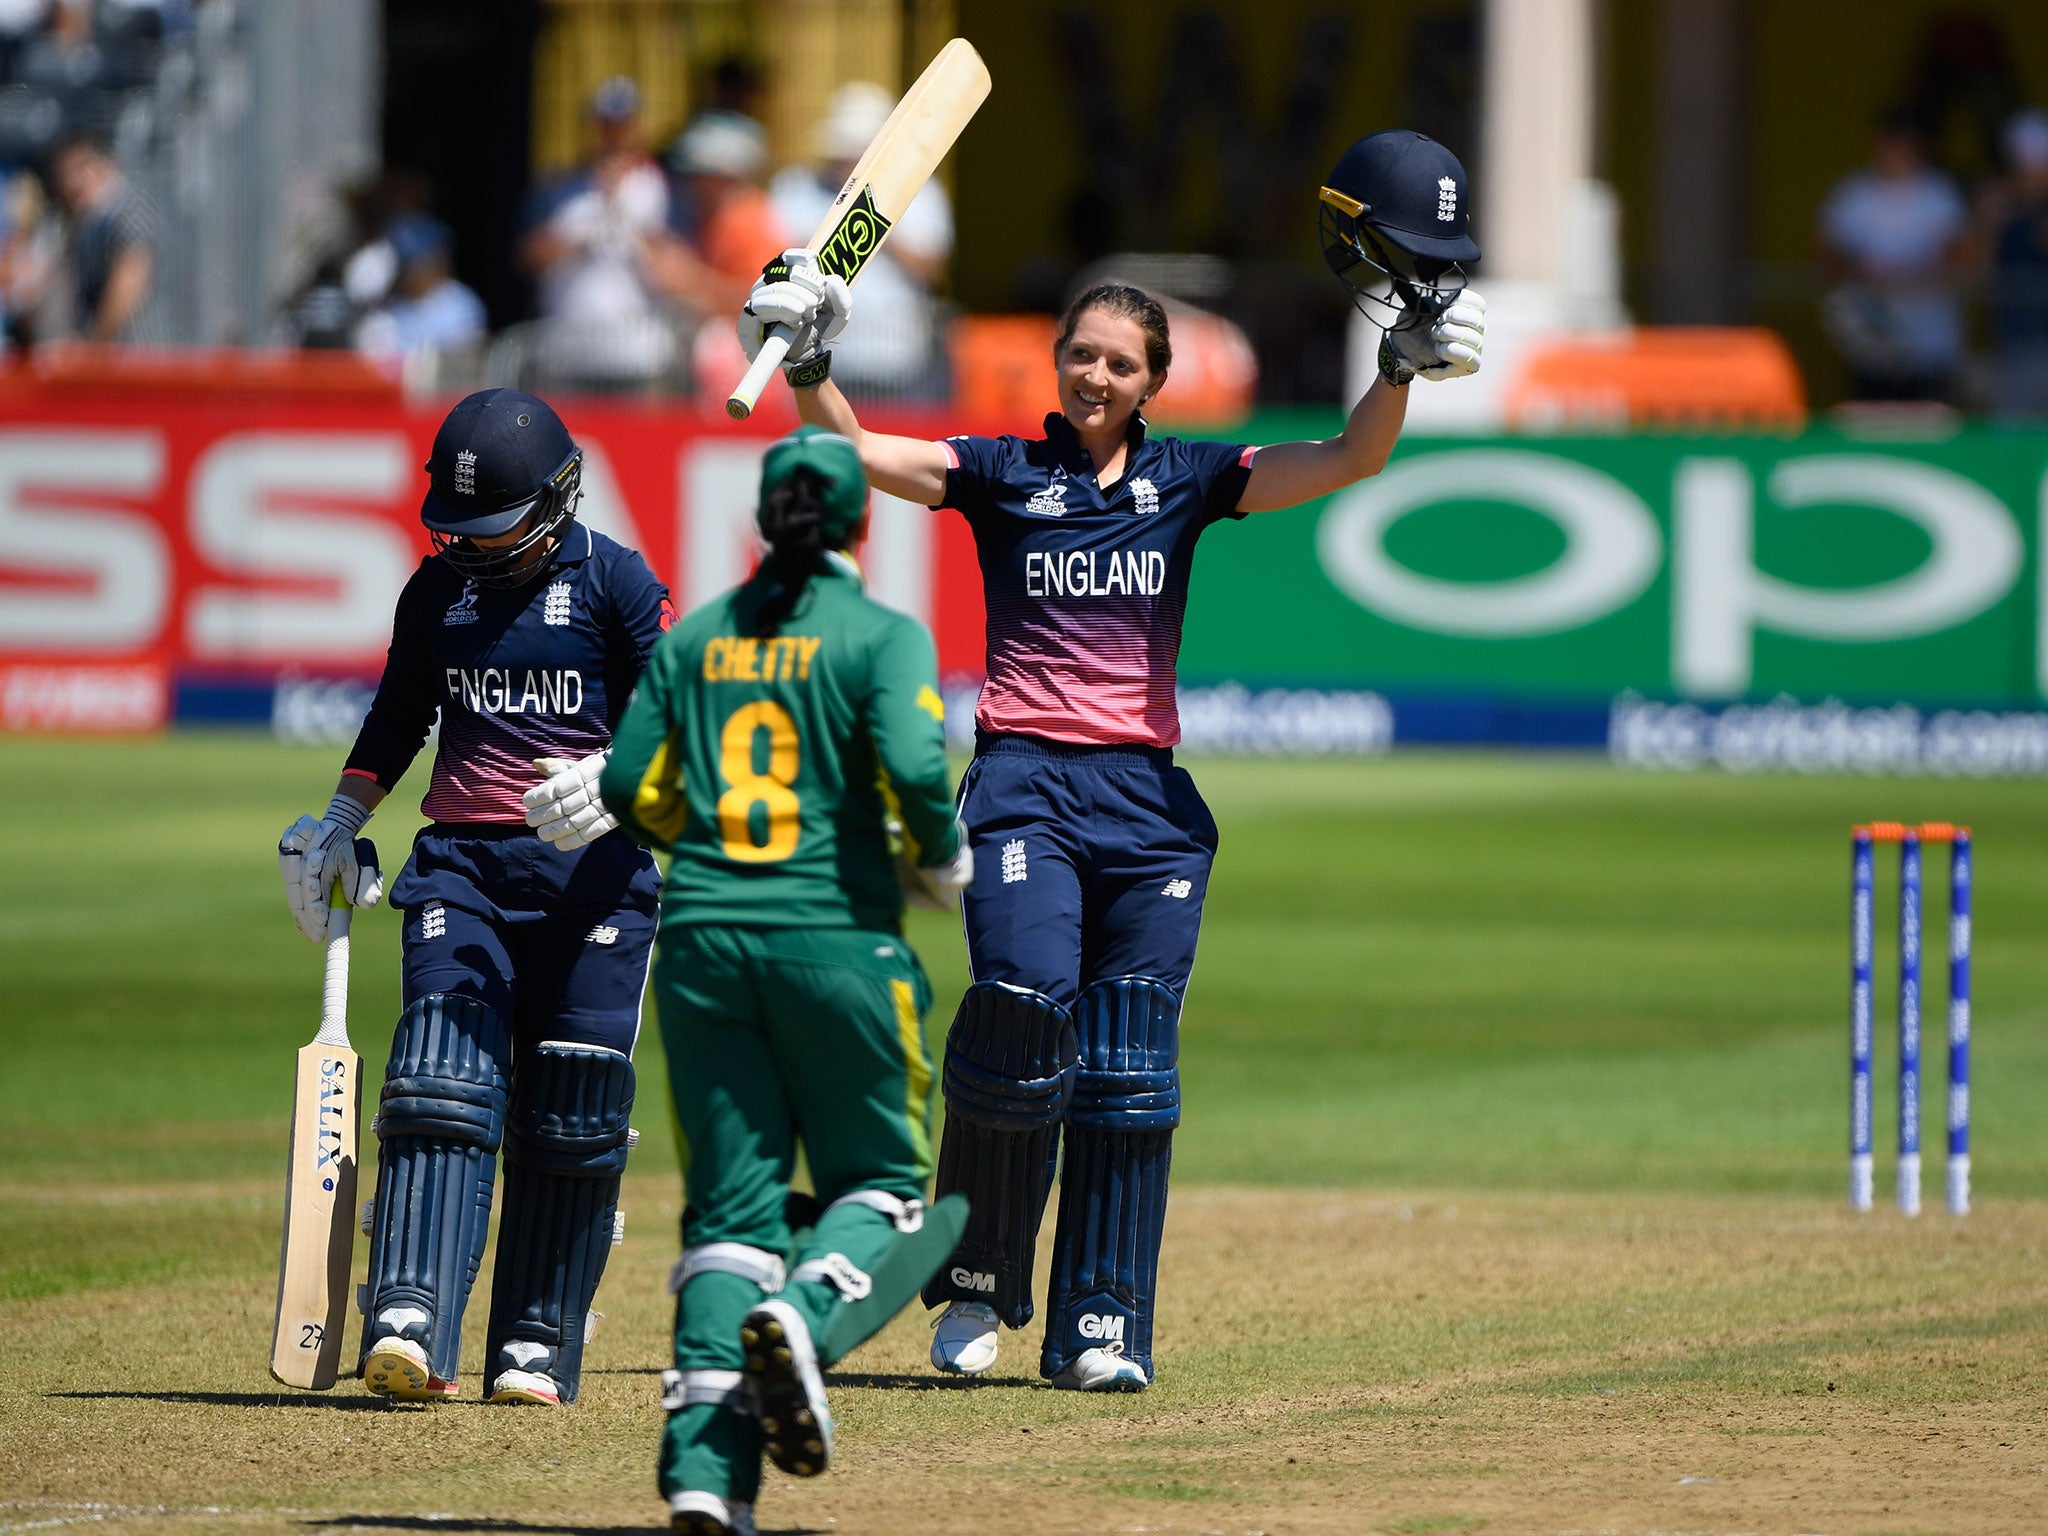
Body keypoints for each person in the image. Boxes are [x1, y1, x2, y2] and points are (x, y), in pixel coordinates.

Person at [735, 129, 1487, 1393]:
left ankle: (1100, 1323)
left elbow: (1352, 457)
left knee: (1131, 1061)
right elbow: (852, 452)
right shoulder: (1001, 473)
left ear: (1151, 382)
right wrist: (812, 356)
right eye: (1079, 353)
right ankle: (975, 1290)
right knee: (1020, 1021)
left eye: (1118, 363)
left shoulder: (1193, 482)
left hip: (1145, 801)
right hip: (1025, 783)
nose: (1092, 374)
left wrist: (1396, 370)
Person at [595, 427, 975, 1535]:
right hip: (840, 942)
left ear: (760, 520)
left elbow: (627, 782)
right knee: (883, 1188)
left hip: (705, 941)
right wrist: (940, 857)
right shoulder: (880, 635)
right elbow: (913, 770)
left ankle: (706, 1478)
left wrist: (696, 830)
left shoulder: (698, 637)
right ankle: (807, 1320)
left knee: (729, 1219)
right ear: (864, 520)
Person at [275, 387, 674, 1407]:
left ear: (561, 495)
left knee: (568, 1109)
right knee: (436, 1078)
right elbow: (399, 717)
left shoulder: (617, 584)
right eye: (458, 532)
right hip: (462, 867)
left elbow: (686, 718)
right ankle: (408, 1313)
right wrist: (337, 822)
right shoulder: (434, 591)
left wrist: (618, 779)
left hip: (596, 881)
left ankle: (538, 1333)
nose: (475, 551)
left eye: (494, 531)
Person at [767, 82, 952, 397]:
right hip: (815, 358)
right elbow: (771, 263)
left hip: (898, 363)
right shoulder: (795, 189)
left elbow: (931, 268)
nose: (847, 163)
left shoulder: (922, 191)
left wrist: (871, 215)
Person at [518, 76, 677, 391]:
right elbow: (528, 256)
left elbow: (673, 268)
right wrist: (585, 231)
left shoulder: (660, 187)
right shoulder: (560, 187)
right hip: (567, 349)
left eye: (623, 124)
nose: (614, 136)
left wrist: (622, 212)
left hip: (634, 353)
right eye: (606, 124)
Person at [1817, 113, 1971, 403]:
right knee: (1873, 428)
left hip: (1930, 344)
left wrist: (1915, 275)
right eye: (1889, 144)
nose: (1896, 153)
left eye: (1904, 145)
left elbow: (1960, 253)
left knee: (1931, 427)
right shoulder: (1853, 195)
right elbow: (1826, 252)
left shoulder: (1938, 194)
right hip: (1871, 345)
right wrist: (1861, 272)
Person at [48, 130, 161, 344]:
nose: (71, 183)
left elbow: (132, 274)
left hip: (140, 359)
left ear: (99, 164)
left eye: (78, 169)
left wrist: (97, 346)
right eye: (64, 176)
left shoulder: (131, 208)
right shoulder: (93, 221)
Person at [353, 213, 487, 363]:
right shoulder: (385, 311)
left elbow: (469, 362)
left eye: (423, 262)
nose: (415, 272)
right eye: (410, 265)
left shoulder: (459, 303)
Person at [1987, 108, 2048, 420]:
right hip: (2016, 347)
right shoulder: (2002, 205)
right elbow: (1975, 261)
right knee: (2016, 440)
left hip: (2039, 343)